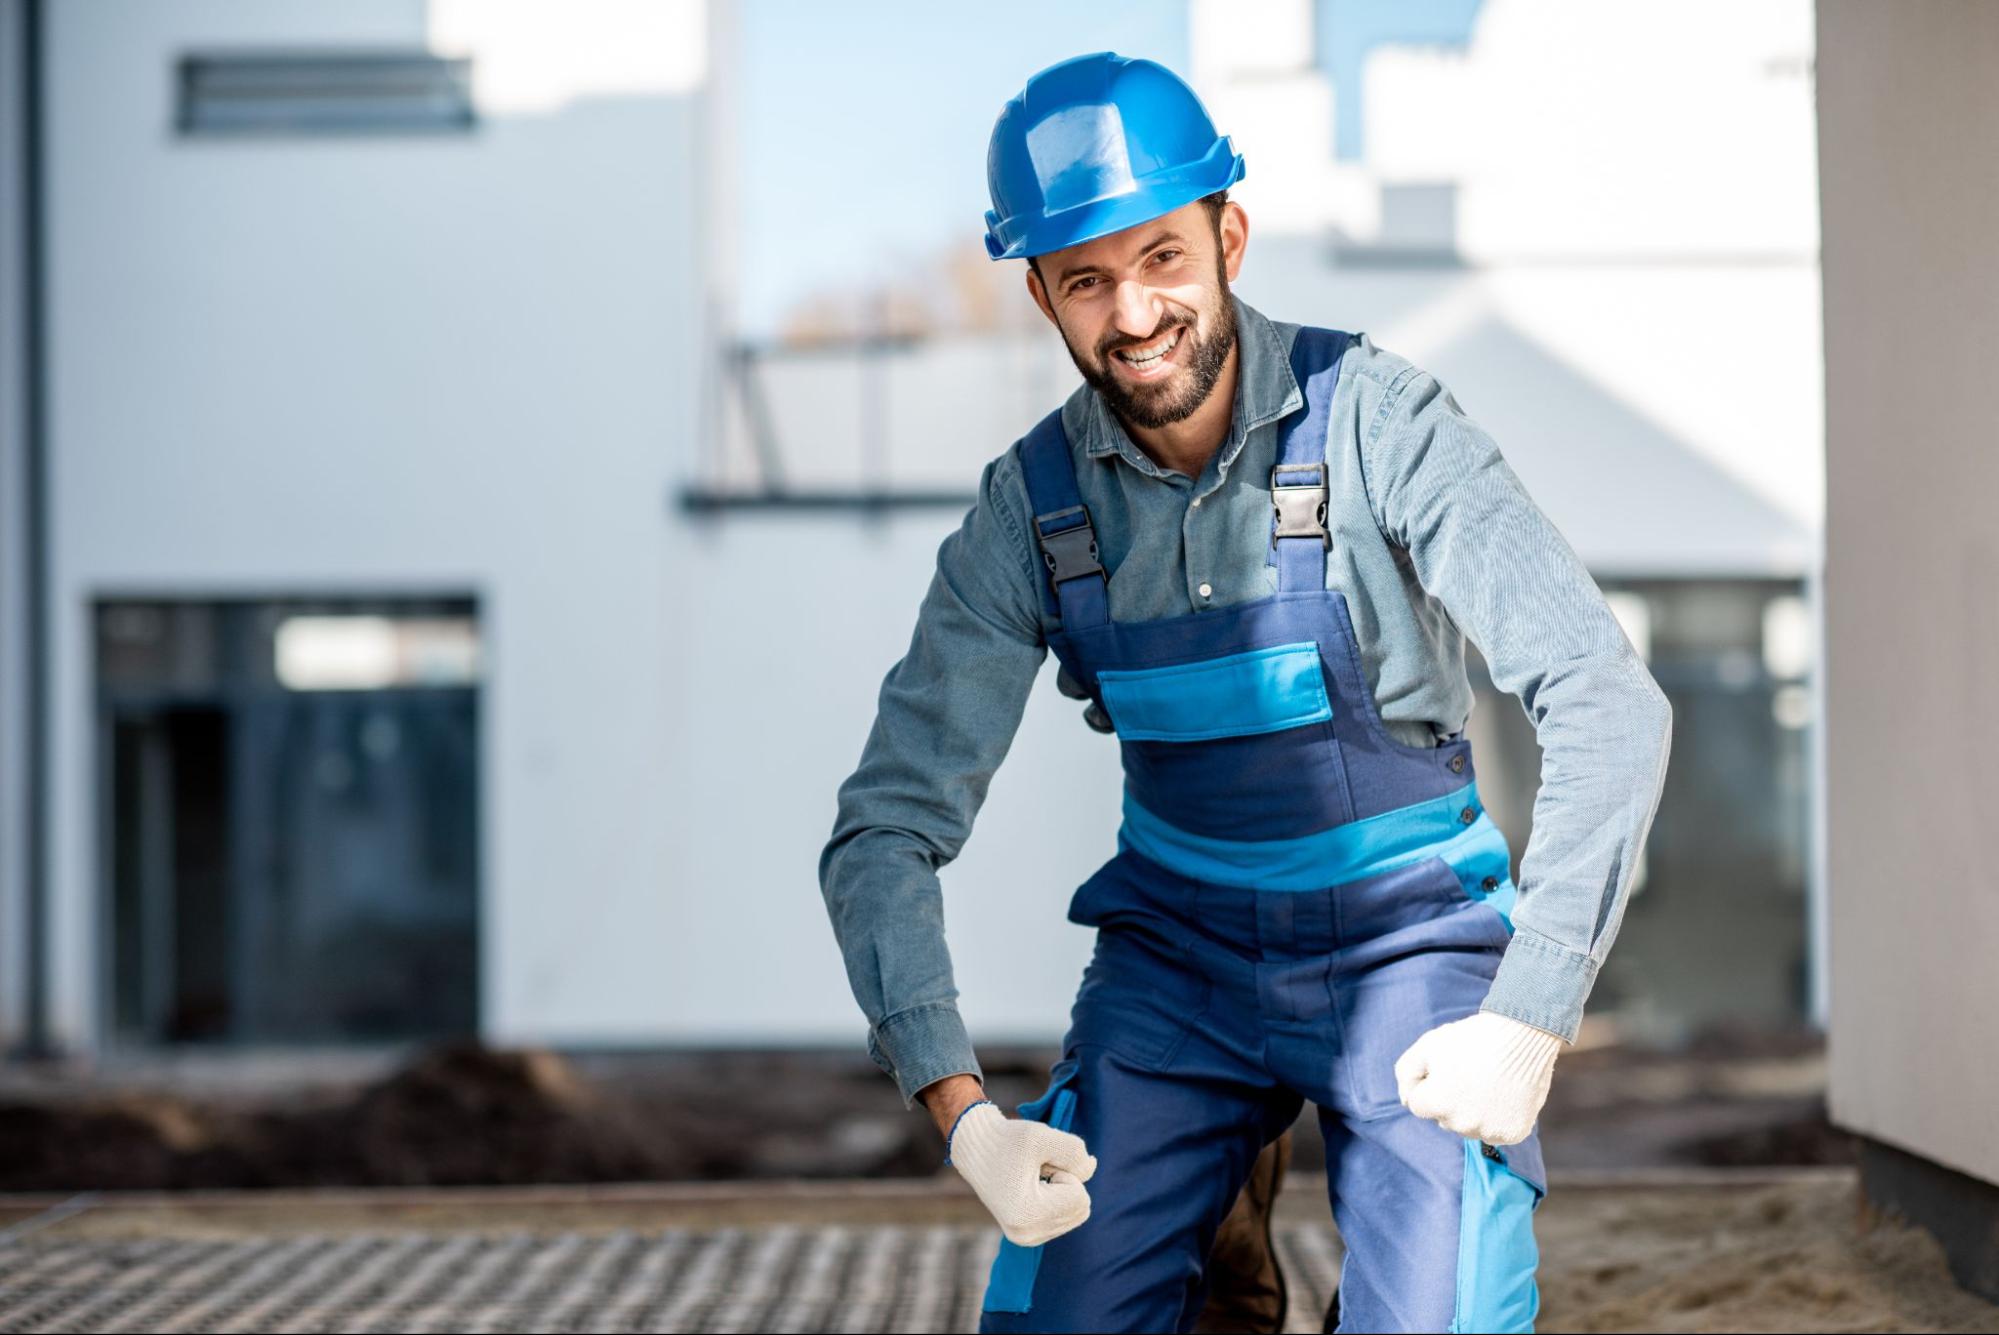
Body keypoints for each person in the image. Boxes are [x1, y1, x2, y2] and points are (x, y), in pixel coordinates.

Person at [817, 51, 1672, 1335]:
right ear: (1042, 295)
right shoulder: (1028, 512)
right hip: (1179, 966)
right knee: (1068, 1313)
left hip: (1412, 943)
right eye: (1086, 279)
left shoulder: (1382, 422)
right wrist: (963, 1114)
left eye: (1162, 256)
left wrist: (1532, 1014)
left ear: (1228, 234)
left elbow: (1606, 699)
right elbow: (882, 829)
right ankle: (1215, 1247)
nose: (1134, 311)